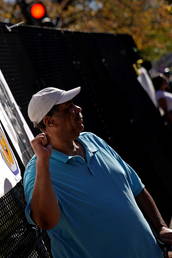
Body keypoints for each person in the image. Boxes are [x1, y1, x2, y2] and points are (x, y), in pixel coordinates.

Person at [23, 86, 172, 258]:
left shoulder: (93, 140)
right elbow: (45, 221)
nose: (78, 109)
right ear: (49, 122)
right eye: (68, 107)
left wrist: (160, 226)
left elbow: (136, 187)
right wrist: (43, 161)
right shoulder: (37, 170)